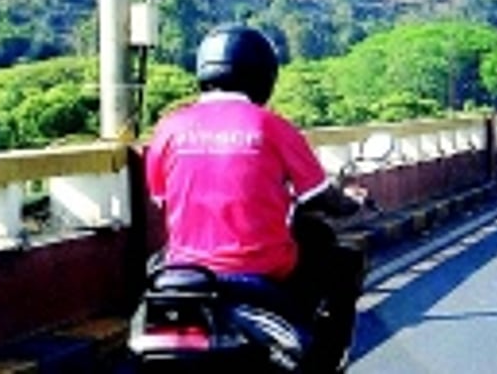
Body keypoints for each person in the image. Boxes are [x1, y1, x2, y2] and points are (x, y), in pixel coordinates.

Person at [144, 23, 365, 365]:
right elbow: (320, 197)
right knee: (344, 262)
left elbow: (161, 198)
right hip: (261, 272)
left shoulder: (168, 128)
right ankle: (324, 361)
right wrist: (352, 202)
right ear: (264, 75)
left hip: (183, 274)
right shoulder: (270, 125)